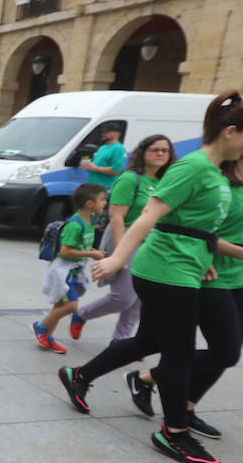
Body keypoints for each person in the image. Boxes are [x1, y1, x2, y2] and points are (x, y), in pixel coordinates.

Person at [57, 92, 243, 463]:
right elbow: (150, 215)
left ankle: (80, 375)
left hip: (186, 267)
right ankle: (174, 432)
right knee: (179, 353)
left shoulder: (216, 173)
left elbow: (201, 231)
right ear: (231, 133)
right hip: (165, 269)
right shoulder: (195, 167)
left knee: (151, 341)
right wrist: (117, 257)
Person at [123, 120, 243, 437]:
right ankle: (165, 405)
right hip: (208, 275)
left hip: (239, 277)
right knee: (201, 352)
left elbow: (238, 235)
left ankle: (180, 404)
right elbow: (201, 233)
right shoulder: (215, 178)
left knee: (227, 353)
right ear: (237, 139)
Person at [69, 134, 176, 343]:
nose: (160, 154)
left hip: (153, 243)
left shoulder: (166, 181)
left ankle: (121, 341)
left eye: (165, 150)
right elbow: (116, 217)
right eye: (154, 149)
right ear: (143, 152)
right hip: (126, 237)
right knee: (123, 297)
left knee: (140, 298)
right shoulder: (130, 178)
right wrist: (120, 253)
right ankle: (82, 314)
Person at [32, 183, 107, 354]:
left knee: (60, 304)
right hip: (64, 272)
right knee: (71, 306)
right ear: (89, 203)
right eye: (102, 200)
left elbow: (81, 245)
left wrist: (94, 252)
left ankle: (48, 338)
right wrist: (90, 254)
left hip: (74, 270)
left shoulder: (90, 222)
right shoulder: (75, 225)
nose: (104, 203)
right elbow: (65, 251)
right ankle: (41, 327)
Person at [79, 122, 127, 190]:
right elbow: (97, 165)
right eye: (103, 132)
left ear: (116, 133)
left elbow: (116, 170)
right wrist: (88, 166)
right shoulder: (102, 147)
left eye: (106, 132)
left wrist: (94, 168)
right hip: (92, 187)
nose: (102, 134)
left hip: (105, 189)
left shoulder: (119, 148)